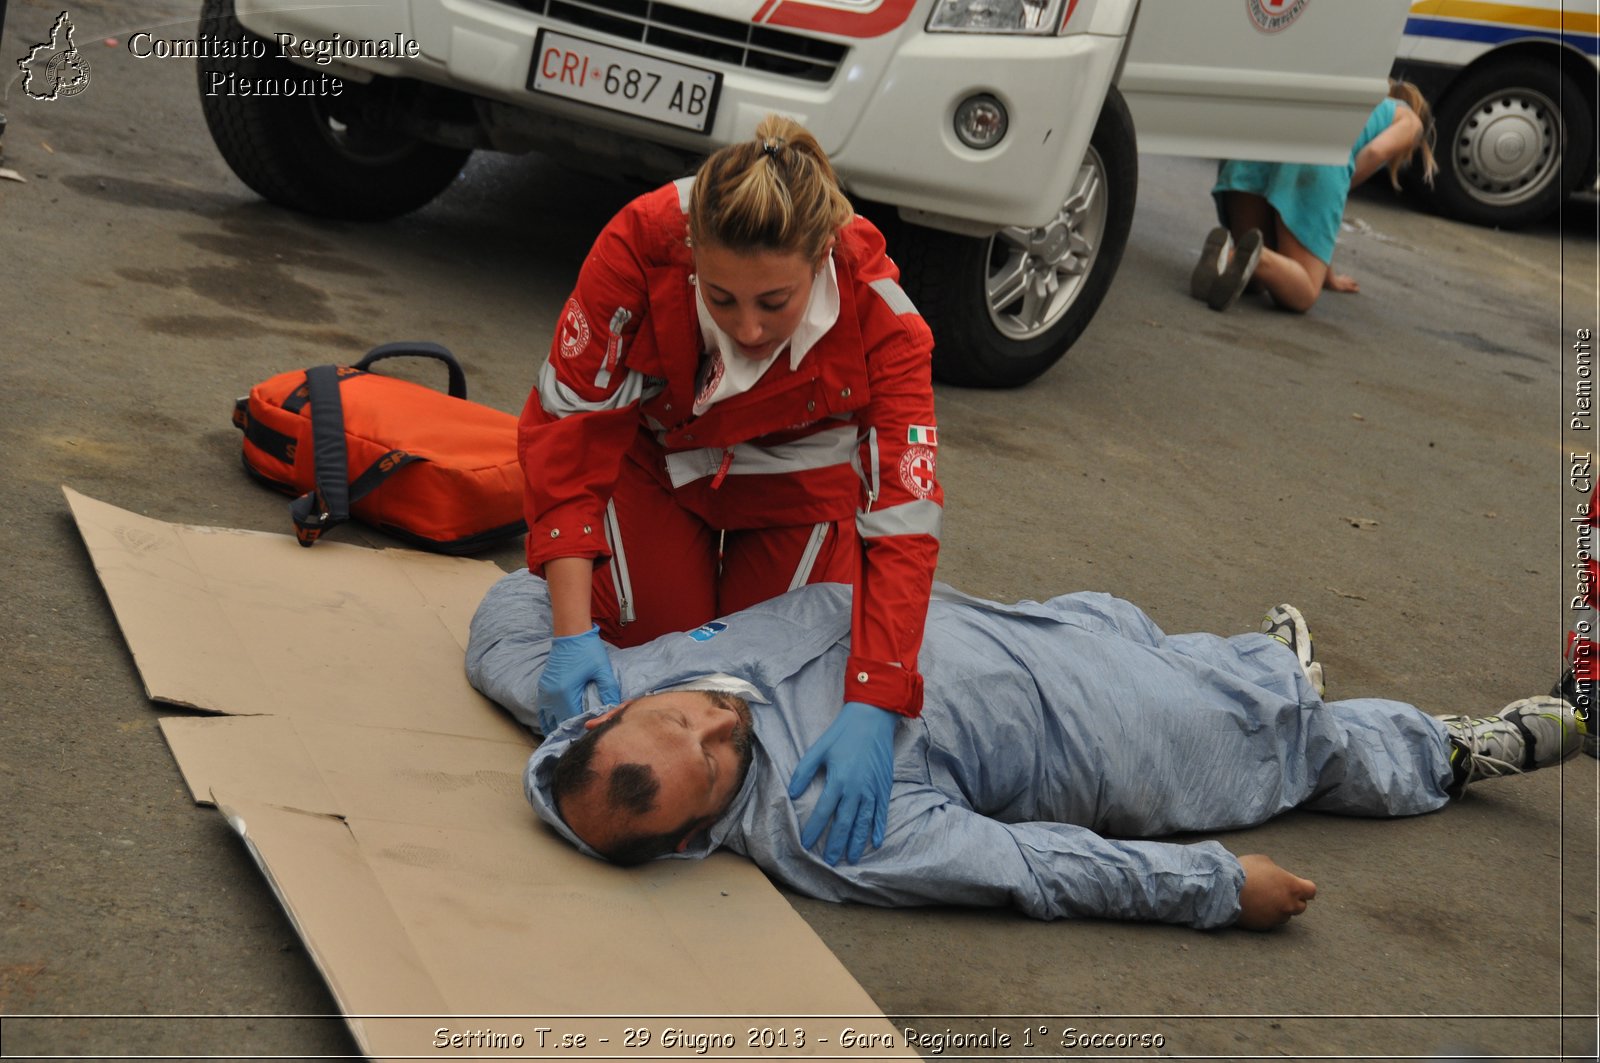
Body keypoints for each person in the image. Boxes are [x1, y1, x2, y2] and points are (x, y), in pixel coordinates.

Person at [465, 570, 1589, 930]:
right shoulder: (831, 827)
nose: (714, 721)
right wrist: (1209, 885)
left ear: (598, 721)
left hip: (1018, 623)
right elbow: (1029, 866)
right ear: (701, 832)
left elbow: (506, 620)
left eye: (674, 719)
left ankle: (1256, 660)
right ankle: (1446, 753)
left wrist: (575, 617)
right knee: (1286, 745)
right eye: (710, 764)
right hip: (1104, 736)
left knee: (1138, 629)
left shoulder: (593, 690)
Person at [517, 115, 942, 864]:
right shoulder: (640, 240)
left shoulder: (886, 321)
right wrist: (572, 630)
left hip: (798, 485)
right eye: (720, 298)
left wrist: (877, 696)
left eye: (773, 303)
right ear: (689, 255)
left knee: (771, 698)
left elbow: (903, 521)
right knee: (660, 666)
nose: (747, 329)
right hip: (661, 459)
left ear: (819, 260)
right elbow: (569, 430)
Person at [1191, 80, 1438, 313]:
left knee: (1254, 282)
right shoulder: (1410, 120)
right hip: (1319, 155)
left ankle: (1226, 257)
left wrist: (1327, 273)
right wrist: (1338, 188)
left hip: (1257, 142)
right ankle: (1253, 256)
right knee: (1303, 294)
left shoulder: (1358, 100)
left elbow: (1317, 235)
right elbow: (1375, 151)